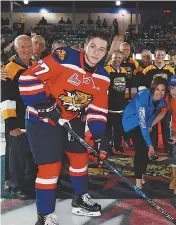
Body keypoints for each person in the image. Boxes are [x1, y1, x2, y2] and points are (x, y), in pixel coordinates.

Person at [19, 32, 111, 225]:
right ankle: (44, 215)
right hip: (41, 119)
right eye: (93, 46)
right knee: (50, 168)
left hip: (69, 119)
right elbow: (28, 78)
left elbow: (97, 109)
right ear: (85, 46)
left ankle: (79, 198)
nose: (96, 52)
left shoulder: (103, 77)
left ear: (105, 53)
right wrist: (43, 103)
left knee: (80, 157)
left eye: (101, 49)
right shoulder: (64, 57)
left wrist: (98, 134)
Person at [1, 35, 37, 199]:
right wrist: (11, 125)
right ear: (16, 49)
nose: (26, 49)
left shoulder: (36, 66)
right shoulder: (9, 69)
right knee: (16, 155)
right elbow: (5, 99)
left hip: (34, 118)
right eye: (22, 47)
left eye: (29, 46)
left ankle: (28, 183)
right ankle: (16, 186)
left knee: (30, 154)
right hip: (18, 120)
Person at [122, 77, 168, 189]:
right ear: (152, 88)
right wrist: (150, 144)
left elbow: (164, 111)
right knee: (142, 147)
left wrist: (151, 124)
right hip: (131, 122)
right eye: (157, 89)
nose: (160, 93)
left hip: (146, 122)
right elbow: (141, 122)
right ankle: (138, 181)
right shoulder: (142, 97)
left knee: (147, 149)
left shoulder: (161, 100)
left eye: (163, 90)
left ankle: (141, 173)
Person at [104, 50, 128, 153]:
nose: (117, 60)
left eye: (119, 58)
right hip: (108, 104)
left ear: (122, 59)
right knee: (108, 128)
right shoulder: (106, 70)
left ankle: (117, 145)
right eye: (115, 57)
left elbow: (125, 88)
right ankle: (107, 147)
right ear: (111, 58)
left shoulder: (124, 71)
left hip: (120, 104)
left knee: (119, 127)